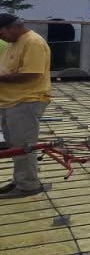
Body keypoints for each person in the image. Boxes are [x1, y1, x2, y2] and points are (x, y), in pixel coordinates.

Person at [0, 12, 52, 196]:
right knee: (15, 145)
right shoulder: (14, 42)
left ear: (14, 27)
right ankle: (20, 180)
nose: (1, 37)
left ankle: (28, 186)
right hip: (11, 101)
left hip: (26, 100)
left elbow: (32, 73)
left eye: (1, 32)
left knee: (24, 146)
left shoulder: (33, 42)